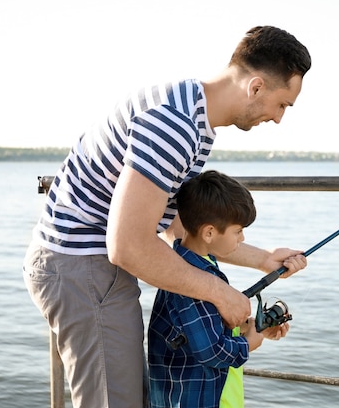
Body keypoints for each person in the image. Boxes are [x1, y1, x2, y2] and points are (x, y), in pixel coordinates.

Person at [23, 25, 311, 408]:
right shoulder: (174, 125)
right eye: (282, 104)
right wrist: (220, 292)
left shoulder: (193, 118)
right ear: (255, 87)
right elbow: (128, 246)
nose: (278, 119)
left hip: (91, 267)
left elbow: (182, 229)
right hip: (82, 267)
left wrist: (262, 259)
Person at [148, 170, 287, 408]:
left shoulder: (195, 266)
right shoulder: (193, 283)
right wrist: (250, 343)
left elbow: (204, 327)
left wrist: (254, 329)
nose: (242, 238)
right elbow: (211, 351)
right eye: (238, 231)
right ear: (209, 232)